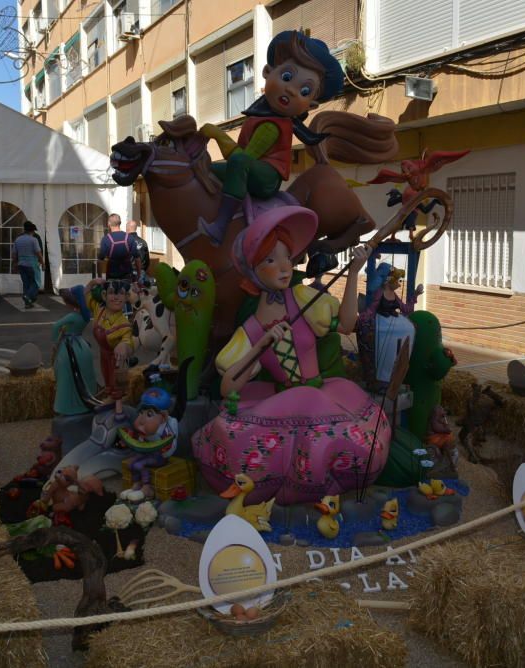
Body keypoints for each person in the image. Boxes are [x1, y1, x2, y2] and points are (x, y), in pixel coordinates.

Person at [192, 206, 391, 506]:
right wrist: (261, 346)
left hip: (320, 394)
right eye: (271, 260)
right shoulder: (251, 329)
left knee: (335, 428)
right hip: (280, 400)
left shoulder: (303, 299)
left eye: (287, 257)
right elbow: (228, 388)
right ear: (253, 271)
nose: (285, 267)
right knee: (236, 436)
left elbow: (348, 324)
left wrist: (353, 274)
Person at [198, 30, 346, 246]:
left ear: (310, 106)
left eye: (305, 91)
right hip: (253, 170)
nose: (292, 91)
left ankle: (220, 226)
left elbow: (244, 158)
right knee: (207, 171)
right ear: (268, 72)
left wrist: (217, 134)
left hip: (267, 177)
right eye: (287, 77)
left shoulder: (272, 126)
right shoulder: (259, 115)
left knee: (237, 163)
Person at [52, 285, 98, 415]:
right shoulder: (84, 316)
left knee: (66, 375)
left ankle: (67, 406)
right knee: (84, 375)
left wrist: (55, 340)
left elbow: (55, 326)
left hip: (69, 346)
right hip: (82, 346)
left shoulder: (72, 316)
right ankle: (86, 401)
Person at [86, 276, 134, 396]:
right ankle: (108, 392)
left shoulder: (124, 324)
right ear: (104, 295)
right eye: (112, 293)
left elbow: (129, 341)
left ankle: (116, 400)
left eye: (121, 294)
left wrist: (124, 345)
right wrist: (93, 282)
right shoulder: (99, 310)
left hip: (117, 361)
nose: (116, 297)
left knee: (116, 384)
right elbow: (86, 294)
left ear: (127, 297)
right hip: (103, 355)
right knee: (106, 378)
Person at [97, 214, 139, 281]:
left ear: (109, 224)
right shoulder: (129, 238)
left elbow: (100, 261)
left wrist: (100, 277)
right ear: (120, 223)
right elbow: (137, 259)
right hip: (128, 276)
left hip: (111, 277)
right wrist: (139, 275)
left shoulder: (106, 239)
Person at [12, 221, 43, 308]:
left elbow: (14, 254)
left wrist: (14, 264)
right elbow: (38, 253)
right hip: (32, 264)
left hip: (21, 264)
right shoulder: (34, 240)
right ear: (32, 231)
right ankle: (28, 296)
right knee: (36, 283)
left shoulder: (18, 239)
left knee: (26, 283)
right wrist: (43, 262)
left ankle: (28, 303)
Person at [28, 222, 45, 294]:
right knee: (36, 277)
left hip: (25, 260)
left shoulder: (20, 237)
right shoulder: (36, 237)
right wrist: (41, 261)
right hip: (34, 260)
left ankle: (30, 291)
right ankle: (34, 291)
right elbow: (39, 250)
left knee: (30, 277)